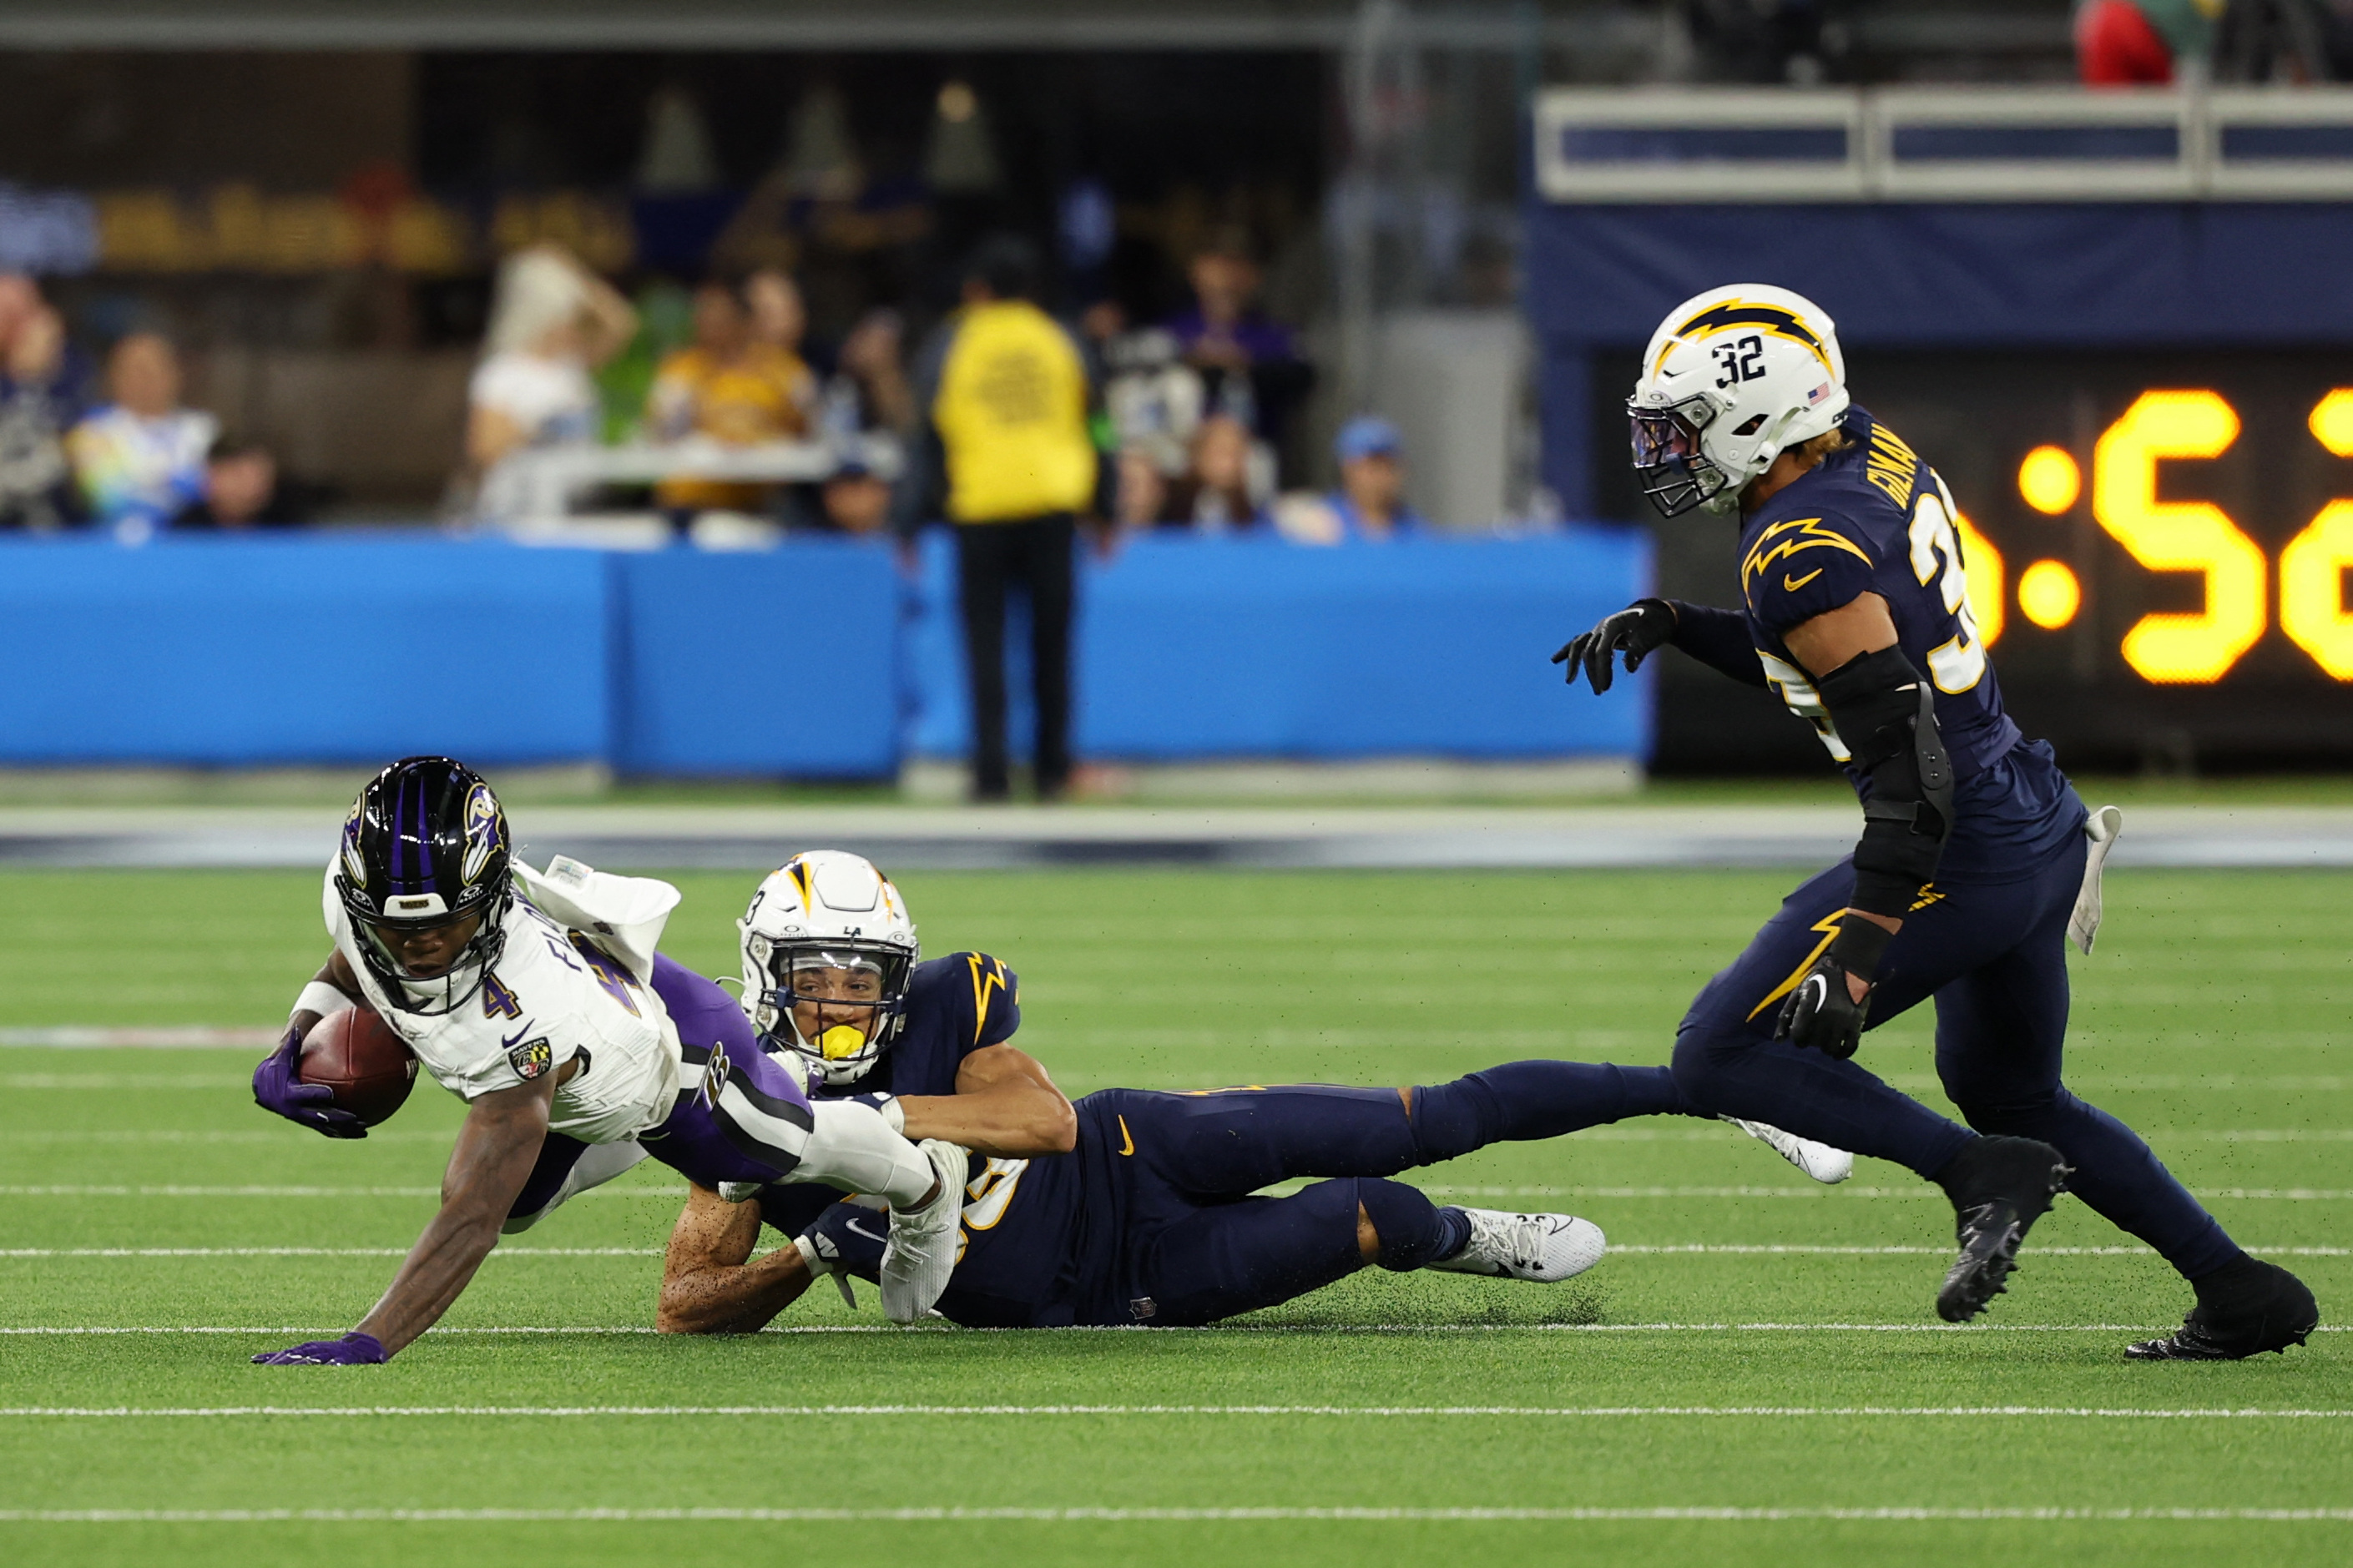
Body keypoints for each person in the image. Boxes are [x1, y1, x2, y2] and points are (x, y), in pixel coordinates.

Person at [1553, 283, 2318, 1359]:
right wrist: (1682, 624)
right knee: (2013, 1089)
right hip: (2029, 813)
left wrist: (1861, 950)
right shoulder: (1866, 451)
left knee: (1716, 1052)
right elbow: (1836, 650)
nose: (1662, 452)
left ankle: (1974, 1171)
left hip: (1957, 846)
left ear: (1756, 419)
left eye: (1679, 428)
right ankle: (2239, 1289)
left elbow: (1906, 772)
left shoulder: (1795, 550)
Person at [655, 852, 1856, 1333]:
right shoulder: (748, 1114)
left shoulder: (943, 1008)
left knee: (1427, 1113)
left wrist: (873, 1127)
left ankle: (1705, 1088)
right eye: (816, 981)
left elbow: (1041, 1118)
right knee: (1373, 1211)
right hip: (1114, 1284)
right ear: (769, 975)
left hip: (1137, 1146)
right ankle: (1467, 1238)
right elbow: (683, 1297)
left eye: (860, 977)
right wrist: (808, 1254)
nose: (841, 1004)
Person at [242, 759, 970, 1366]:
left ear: (492, 897)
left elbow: (471, 1220)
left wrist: (368, 1340)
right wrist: (295, 1034)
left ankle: (924, 1183)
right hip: (581, 1070)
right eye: (396, 924)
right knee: (525, 1203)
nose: (416, 944)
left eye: (444, 922)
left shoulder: (530, 1013)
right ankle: (610, 1130)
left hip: (670, 1054)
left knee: (776, 1145)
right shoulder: (360, 894)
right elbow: (356, 959)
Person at [893, 235, 1106, 802]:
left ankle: (990, 777)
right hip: (1053, 506)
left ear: (975, 291)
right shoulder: (1061, 340)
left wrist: (910, 515)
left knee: (984, 649)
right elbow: (1100, 421)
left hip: (981, 508)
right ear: (1031, 290)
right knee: (1052, 648)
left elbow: (927, 434)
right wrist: (1105, 502)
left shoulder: (952, 343)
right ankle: (1054, 773)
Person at [644, 277, 817, 520]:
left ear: (743, 321)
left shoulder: (784, 370)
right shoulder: (680, 370)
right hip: (690, 501)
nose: (709, 326)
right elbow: (659, 432)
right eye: (703, 317)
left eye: (719, 319)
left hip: (758, 502)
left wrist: (758, 441)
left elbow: (808, 431)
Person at [467, 245, 637, 478]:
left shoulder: (571, 365)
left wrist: (575, 275)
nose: (571, 324)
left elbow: (622, 323)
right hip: (522, 498)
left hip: (574, 498)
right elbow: (484, 450)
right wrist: (536, 425)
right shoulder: (503, 372)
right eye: (564, 316)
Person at [1164, 229, 1311, 465]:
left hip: (1253, 468)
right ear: (1197, 271)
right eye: (1217, 267)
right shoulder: (1174, 332)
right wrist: (1193, 361)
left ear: (1255, 276)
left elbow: (1300, 376)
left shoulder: (1273, 337)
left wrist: (1244, 364)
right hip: (1184, 467)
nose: (1226, 280)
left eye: (1236, 268)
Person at [64, 332, 215, 540]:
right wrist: (188, 485)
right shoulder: (91, 432)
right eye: (134, 370)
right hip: (112, 546)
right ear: (114, 376)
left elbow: (222, 490)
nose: (145, 379)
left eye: (154, 368)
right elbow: (106, 497)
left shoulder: (205, 430)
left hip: (190, 545)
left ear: (175, 373)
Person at [0, 280, 87, 532]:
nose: (19, 330)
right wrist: (19, 378)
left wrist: (34, 379)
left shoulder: (67, 376)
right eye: (8, 316)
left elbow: (73, 446)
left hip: (61, 534)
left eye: (25, 316)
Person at [1275, 416, 1425, 544]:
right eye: (1371, 465)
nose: (1381, 475)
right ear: (1347, 469)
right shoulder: (1317, 523)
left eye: (1389, 465)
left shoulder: (1414, 529)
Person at [172, 437, 304, 529]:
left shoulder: (288, 526)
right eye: (240, 476)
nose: (253, 486)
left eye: (261, 477)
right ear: (213, 476)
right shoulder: (186, 530)